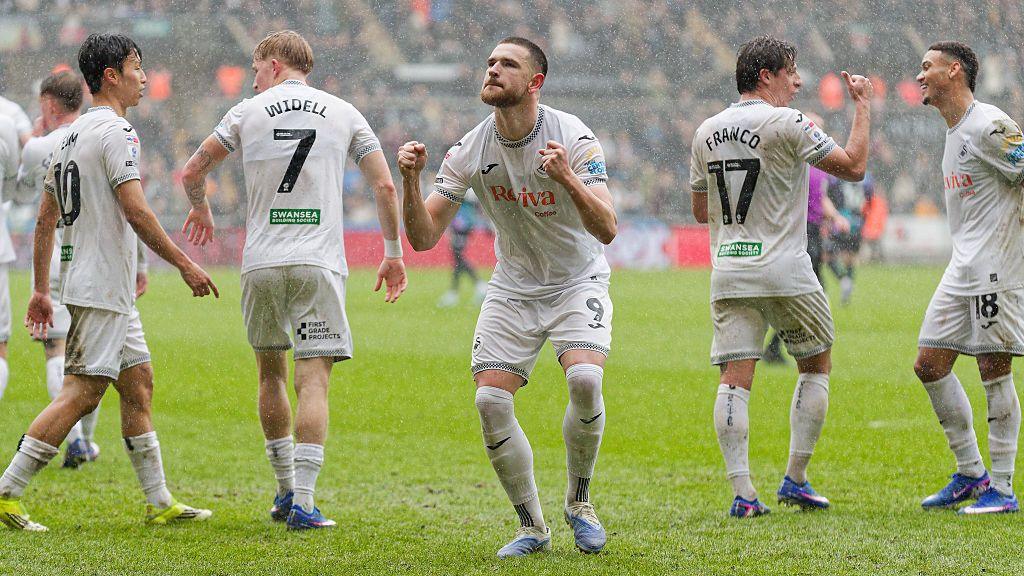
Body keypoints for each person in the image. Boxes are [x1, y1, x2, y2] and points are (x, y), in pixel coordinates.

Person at [179, 30, 407, 530]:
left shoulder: (245, 113)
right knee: (314, 379)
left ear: (276, 65)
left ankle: (283, 489)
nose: (254, 79)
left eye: (256, 68)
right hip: (317, 261)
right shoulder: (344, 111)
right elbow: (385, 184)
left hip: (260, 261)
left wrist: (201, 208)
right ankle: (303, 501)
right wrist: (392, 253)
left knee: (269, 374)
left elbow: (193, 170)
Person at [399, 37, 617, 557]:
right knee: (490, 400)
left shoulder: (574, 137)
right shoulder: (470, 149)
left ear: (534, 83)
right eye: (491, 62)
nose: (493, 70)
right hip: (514, 287)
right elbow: (424, 237)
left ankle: (579, 503)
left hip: (576, 279)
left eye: (508, 65)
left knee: (585, 379)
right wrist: (410, 181)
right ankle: (532, 526)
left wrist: (566, 176)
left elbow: (607, 226)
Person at [0, 33, 219, 532]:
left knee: (137, 384)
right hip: (100, 286)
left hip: (100, 284)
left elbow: (44, 220)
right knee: (82, 392)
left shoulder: (68, 137)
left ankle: (158, 499)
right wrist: (184, 264)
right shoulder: (119, 133)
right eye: (137, 67)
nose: (145, 77)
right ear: (110, 76)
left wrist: (39, 288)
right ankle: (7, 492)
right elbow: (136, 209)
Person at [690, 35, 872, 517]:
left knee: (734, 379)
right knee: (815, 363)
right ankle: (794, 478)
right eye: (791, 71)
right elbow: (853, 167)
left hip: (729, 267)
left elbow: (699, 207)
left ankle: (743, 494)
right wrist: (863, 106)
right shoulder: (788, 122)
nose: (799, 80)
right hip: (786, 268)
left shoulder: (705, 130)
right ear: (765, 75)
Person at [914, 41, 1023, 515]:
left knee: (993, 370)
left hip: (996, 267)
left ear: (953, 71)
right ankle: (972, 473)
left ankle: (1001, 488)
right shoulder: (954, 130)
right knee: (929, 364)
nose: (919, 76)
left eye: (927, 67)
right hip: (962, 268)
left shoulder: (989, 124)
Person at [437, 197, 488, 308]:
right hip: (461, 226)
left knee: (458, 258)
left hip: (462, 227)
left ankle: (477, 285)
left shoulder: (465, 201)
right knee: (457, 260)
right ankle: (456, 292)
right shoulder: (464, 202)